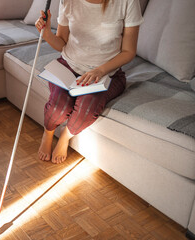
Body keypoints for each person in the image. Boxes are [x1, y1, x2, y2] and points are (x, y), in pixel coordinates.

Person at [36, 0, 143, 164]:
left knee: (86, 109)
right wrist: (47, 34)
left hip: (106, 73)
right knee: (58, 108)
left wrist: (100, 70)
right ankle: (48, 133)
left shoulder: (127, 2)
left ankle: (65, 137)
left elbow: (129, 51)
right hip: (68, 66)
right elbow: (61, 43)